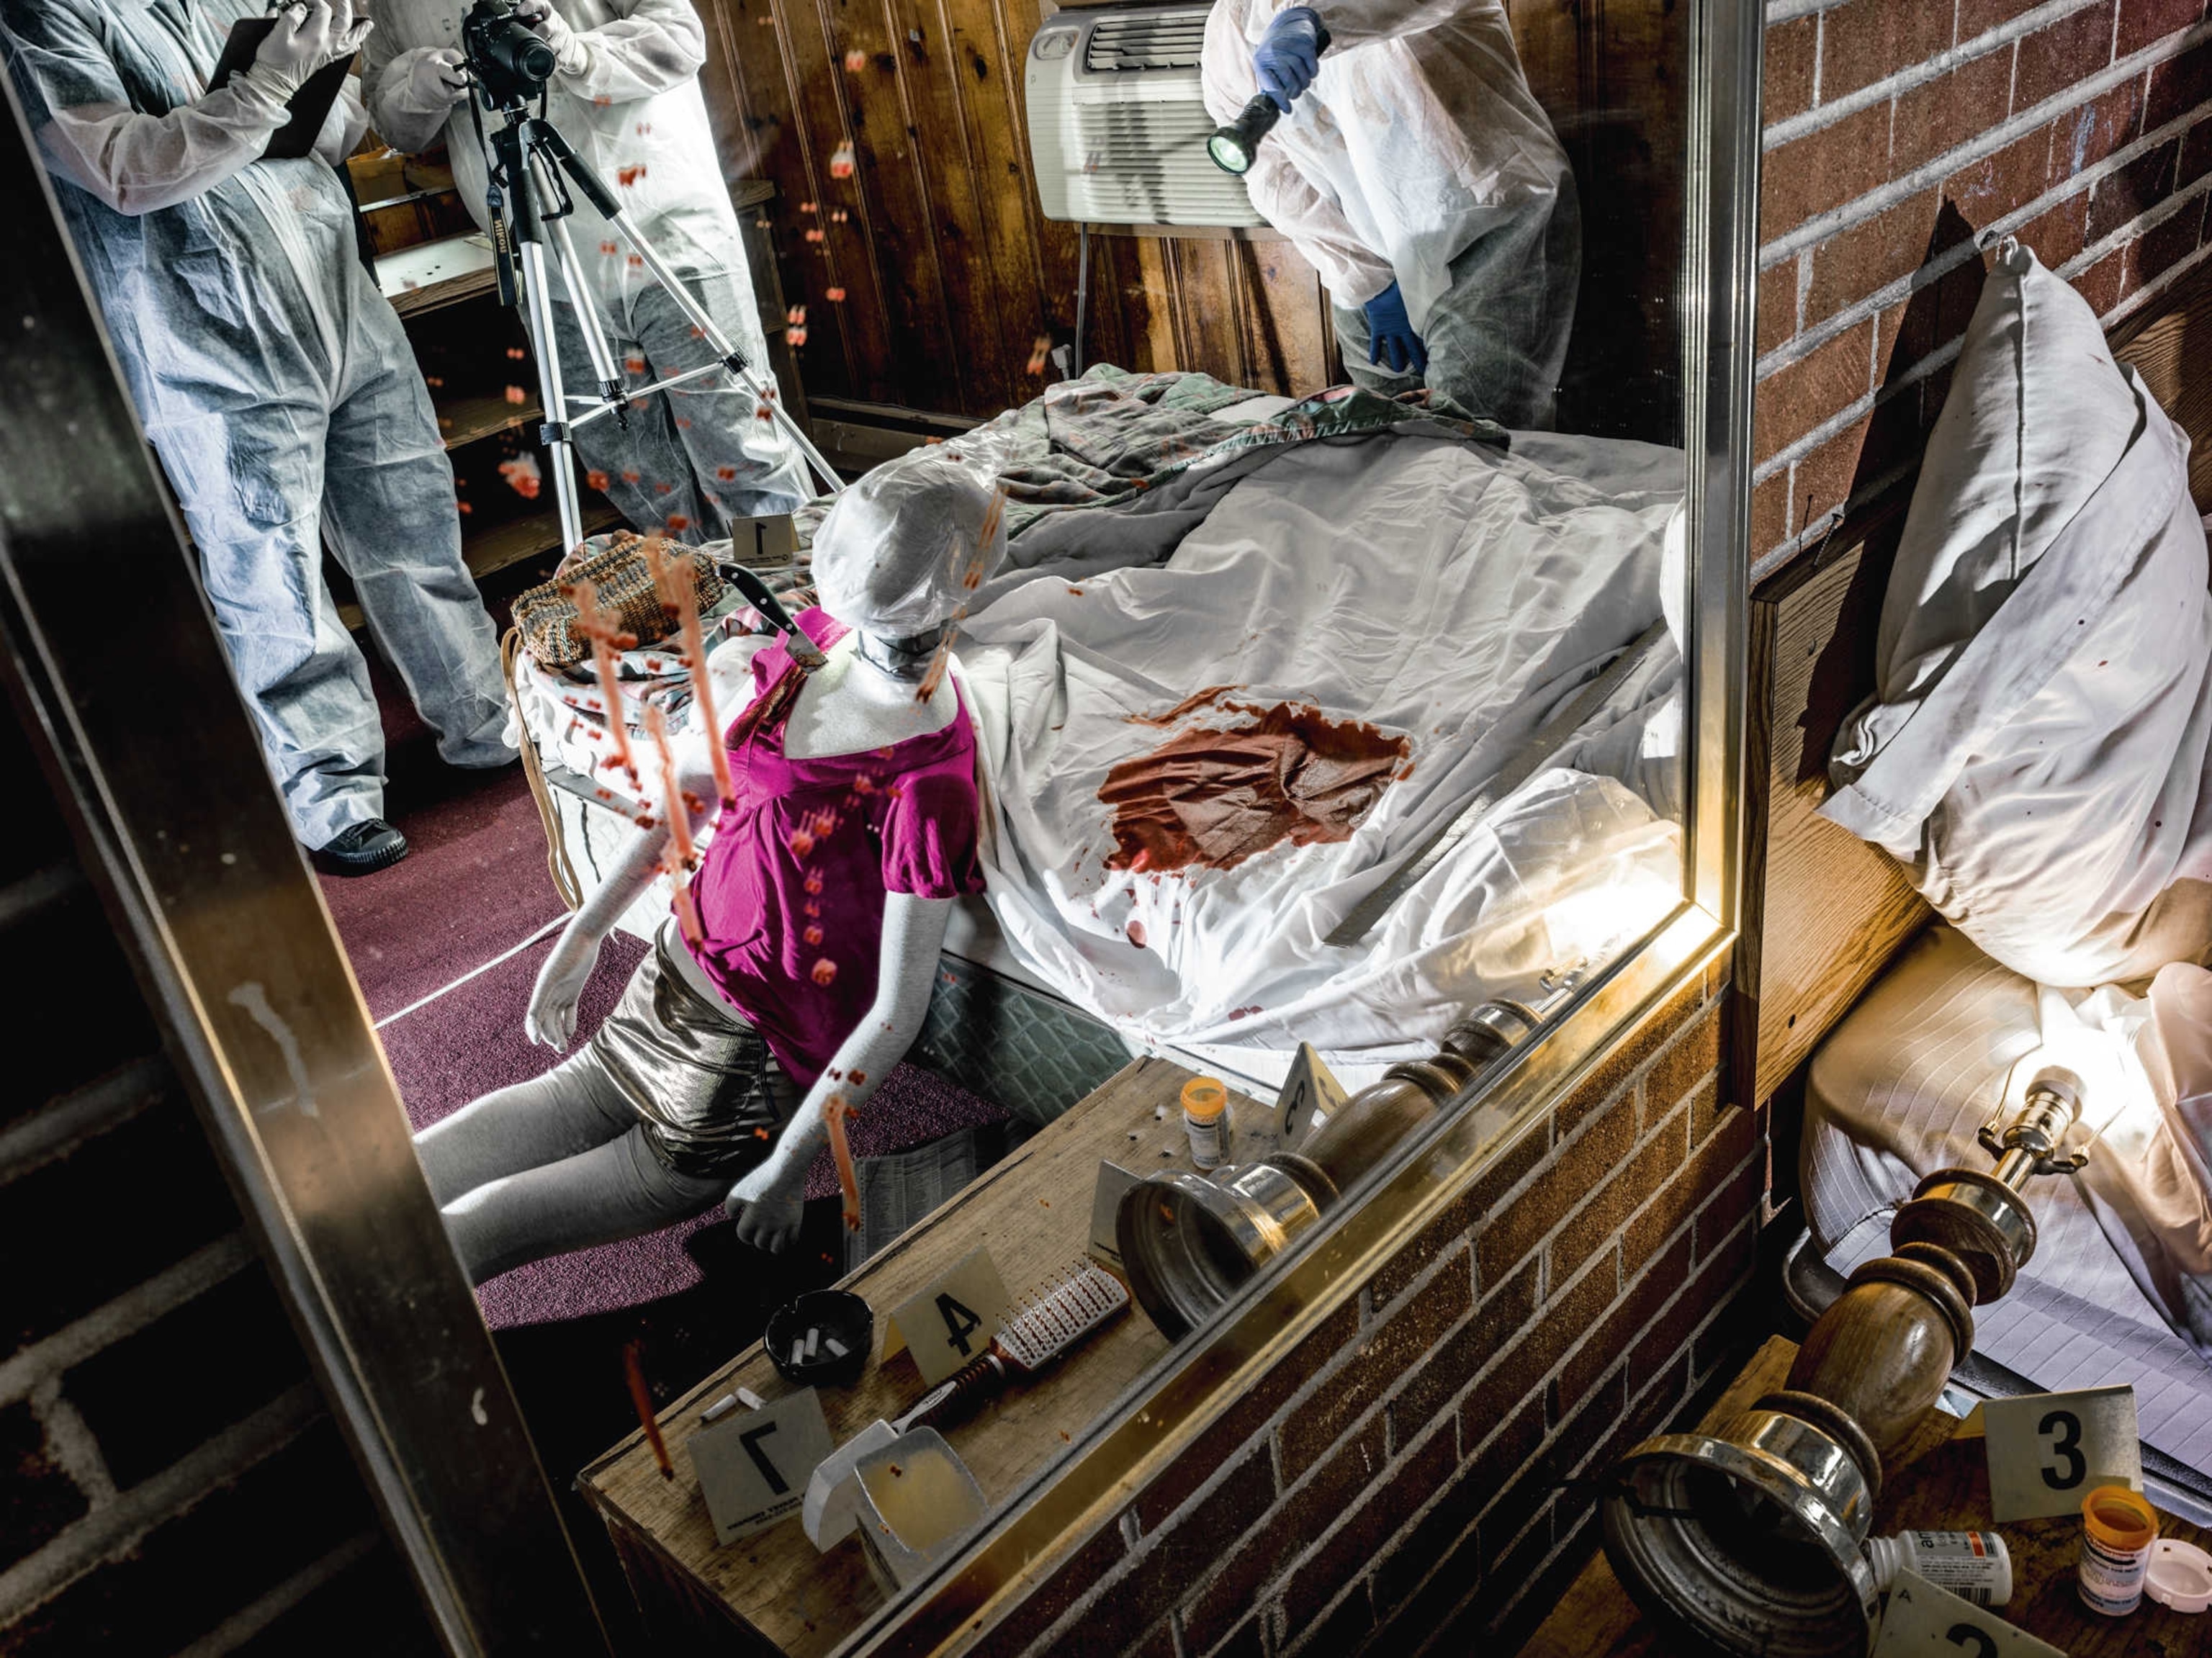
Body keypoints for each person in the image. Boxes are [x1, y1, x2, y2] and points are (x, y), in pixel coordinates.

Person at [413, 456, 996, 1281]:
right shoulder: (809, 651)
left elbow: (897, 1012)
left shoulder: (928, 776)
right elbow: (689, 795)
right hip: (670, 980)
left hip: (741, 1072)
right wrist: (582, 939)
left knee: (477, 1228)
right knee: (419, 1173)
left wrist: (789, 1165)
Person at [0, 0, 516, 873]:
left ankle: (484, 723)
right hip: (208, 339)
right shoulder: (41, 20)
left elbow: (332, 136)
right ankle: (330, 791)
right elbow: (124, 169)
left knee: (414, 532)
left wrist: (331, 66)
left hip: (340, 305)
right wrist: (272, 77)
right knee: (268, 572)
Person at [362, 0, 810, 544]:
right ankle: (717, 607)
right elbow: (391, 121)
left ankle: (793, 606)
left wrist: (573, 51)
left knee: (741, 447)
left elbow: (681, 36)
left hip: (665, 233)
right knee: (634, 470)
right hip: (546, 267)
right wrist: (425, 84)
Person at [1201, 0, 1579, 430]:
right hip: (1364, 254)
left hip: (1487, 232)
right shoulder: (1230, 31)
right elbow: (1274, 176)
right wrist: (1366, 282)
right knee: (1381, 445)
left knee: (1476, 441)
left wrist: (1316, 18)